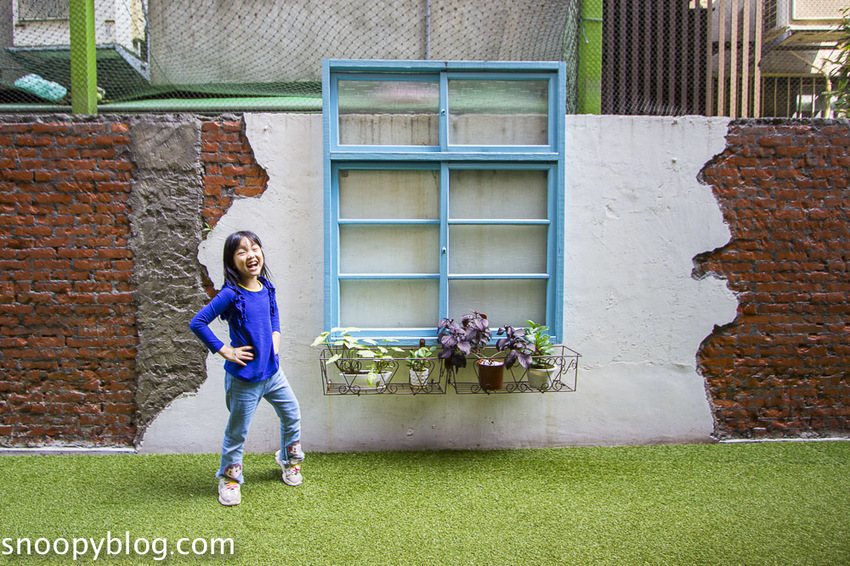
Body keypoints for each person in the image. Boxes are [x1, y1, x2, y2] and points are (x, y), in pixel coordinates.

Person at [190, 230, 304, 506]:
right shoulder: (230, 294)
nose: (251, 255)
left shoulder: (266, 286)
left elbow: (273, 314)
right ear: (232, 261)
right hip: (244, 379)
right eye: (242, 252)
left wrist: (276, 336)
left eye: (254, 248)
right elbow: (198, 322)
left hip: (273, 373)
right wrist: (225, 350)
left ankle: (289, 460)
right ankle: (229, 479)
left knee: (292, 415)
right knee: (237, 432)